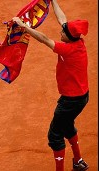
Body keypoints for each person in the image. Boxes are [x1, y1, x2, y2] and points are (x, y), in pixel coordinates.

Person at [12, 0, 89, 171]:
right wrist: (53, 1)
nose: (60, 31)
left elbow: (45, 39)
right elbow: (62, 19)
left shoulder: (68, 50)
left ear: (69, 36)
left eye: (63, 31)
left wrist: (23, 26)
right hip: (82, 97)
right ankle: (78, 161)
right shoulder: (76, 41)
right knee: (67, 126)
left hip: (70, 101)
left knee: (54, 135)